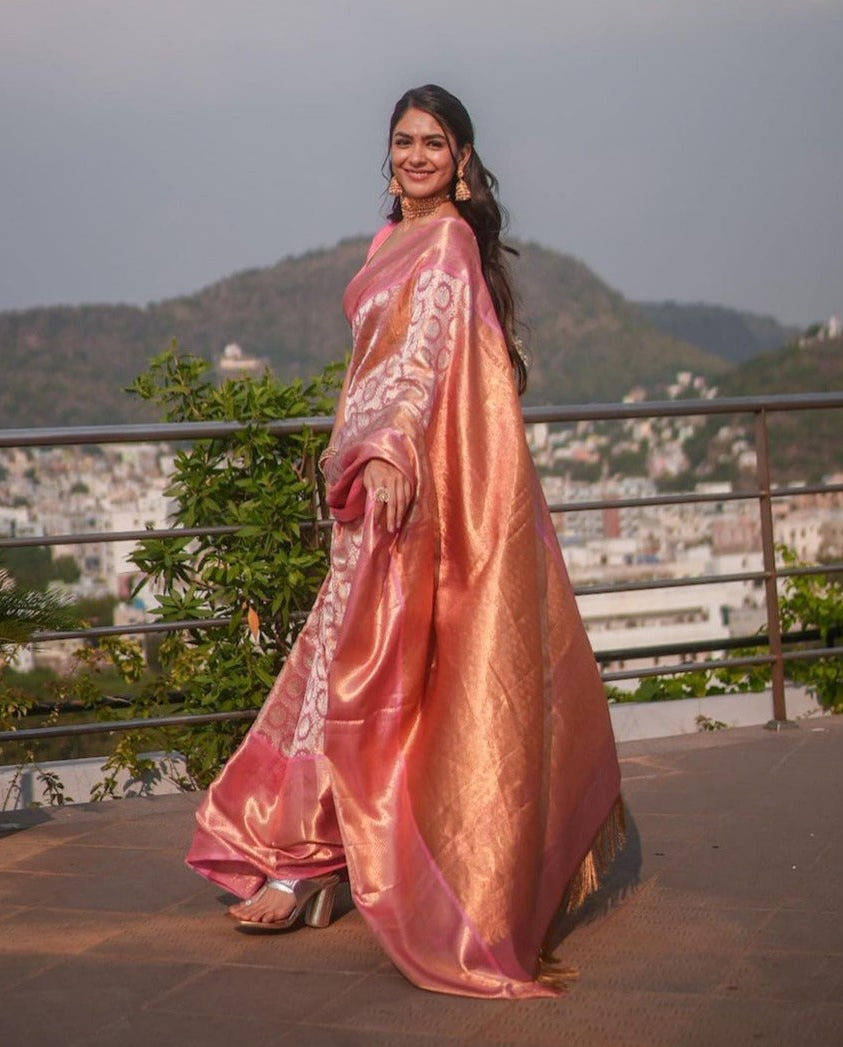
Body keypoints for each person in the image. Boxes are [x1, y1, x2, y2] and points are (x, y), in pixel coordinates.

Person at [186, 84, 623, 999]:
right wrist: (353, 454)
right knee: (344, 666)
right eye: (403, 141)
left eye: (434, 142)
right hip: (365, 491)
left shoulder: (452, 244)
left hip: (415, 490)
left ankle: (336, 862)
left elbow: (424, 360)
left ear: (461, 159)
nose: (416, 155)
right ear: (387, 156)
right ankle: (311, 853)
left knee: (386, 671)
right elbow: (369, 367)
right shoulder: (388, 244)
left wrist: (388, 452)